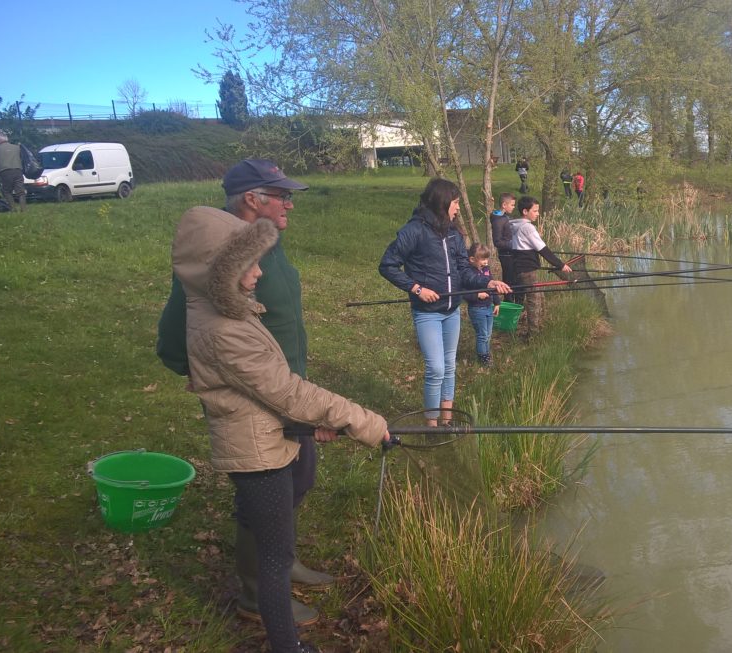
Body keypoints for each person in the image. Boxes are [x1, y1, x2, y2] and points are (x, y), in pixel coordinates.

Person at [171, 207, 388, 653]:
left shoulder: (223, 311)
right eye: (248, 265)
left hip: (266, 436)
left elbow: (265, 397)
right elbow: (286, 393)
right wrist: (362, 421)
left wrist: (310, 425)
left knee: (279, 546)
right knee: (274, 559)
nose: (258, 272)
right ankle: (288, 646)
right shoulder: (221, 330)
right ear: (217, 272)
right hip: (257, 455)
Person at [156, 160, 336, 627]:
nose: (289, 203)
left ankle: (282, 562)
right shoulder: (222, 252)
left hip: (288, 385)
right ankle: (257, 593)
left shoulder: (268, 244)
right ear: (251, 200)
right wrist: (191, 369)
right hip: (251, 391)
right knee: (264, 491)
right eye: (281, 196)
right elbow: (177, 329)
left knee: (300, 478)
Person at [379, 178, 511, 425]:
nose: (458, 208)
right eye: (456, 203)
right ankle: (431, 424)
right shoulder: (414, 231)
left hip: (452, 310)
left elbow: (463, 270)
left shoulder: (453, 233)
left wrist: (488, 283)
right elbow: (387, 265)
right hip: (427, 312)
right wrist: (417, 289)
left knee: (449, 366)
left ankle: (447, 421)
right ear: (442, 202)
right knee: (436, 369)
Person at [510, 196, 571, 337]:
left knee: (536, 298)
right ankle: (533, 335)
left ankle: (536, 328)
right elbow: (542, 249)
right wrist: (560, 265)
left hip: (519, 268)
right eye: (535, 211)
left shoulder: (514, 225)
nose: (538, 214)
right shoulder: (527, 227)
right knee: (533, 301)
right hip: (527, 271)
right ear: (525, 211)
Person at [465, 243, 501, 366]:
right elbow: (463, 294)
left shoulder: (486, 270)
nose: (486, 262)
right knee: (482, 334)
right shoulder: (468, 273)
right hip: (476, 308)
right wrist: (477, 295)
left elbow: (493, 287)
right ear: (472, 260)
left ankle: (486, 353)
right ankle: (483, 357)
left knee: (489, 333)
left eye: (487, 259)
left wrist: (497, 303)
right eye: (482, 259)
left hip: (488, 307)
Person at [490, 192, 517, 301]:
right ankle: (508, 302)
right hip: (506, 255)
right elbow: (497, 242)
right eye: (512, 205)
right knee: (509, 280)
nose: (514, 207)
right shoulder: (498, 220)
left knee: (514, 280)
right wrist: (514, 244)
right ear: (504, 205)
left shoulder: (505, 217)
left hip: (511, 253)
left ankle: (513, 300)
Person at [0, 133, 25, 212]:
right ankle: (23, 210)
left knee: (6, 191)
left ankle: (13, 209)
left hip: (5, 172)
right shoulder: (17, 147)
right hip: (18, 171)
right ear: (7, 139)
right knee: (21, 192)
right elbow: (23, 159)